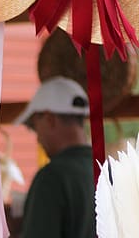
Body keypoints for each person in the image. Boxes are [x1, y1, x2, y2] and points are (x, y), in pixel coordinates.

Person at [14, 76, 95, 238]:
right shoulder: (109, 168)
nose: (38, 138)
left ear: (50, 119)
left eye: (35, 127)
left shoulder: (51, 178)